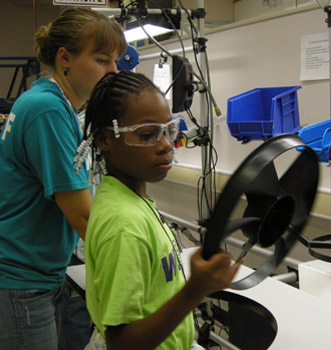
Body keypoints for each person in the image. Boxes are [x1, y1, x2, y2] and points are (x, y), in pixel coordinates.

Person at [79, 70, 241, 350]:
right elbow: (122, 344)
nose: (166, 145)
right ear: (105, 139)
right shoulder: (123, 224)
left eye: (169, 130)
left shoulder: (130, 200)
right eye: (147, 135)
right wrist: (194, 292)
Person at [0, 7, 126, 350]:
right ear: (64, 58)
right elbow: (83, 216)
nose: (113, 71)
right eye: (102, 60)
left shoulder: (62, 107)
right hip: (21, 280)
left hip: (39, 273)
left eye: (116, 61)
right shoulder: (47, 110)